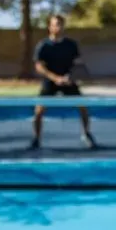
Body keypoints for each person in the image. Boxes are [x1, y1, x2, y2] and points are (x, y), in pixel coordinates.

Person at [30, 14, 97, 149]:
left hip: (68, 81)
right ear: (50, 27)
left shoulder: (71, 45)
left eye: (60, 24)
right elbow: (39, 67)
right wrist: (55, 78)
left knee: (83, 107)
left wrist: (69, 77)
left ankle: (86, 134)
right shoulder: (43, 46)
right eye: (55, 24)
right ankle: (36, 139)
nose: (58, 27)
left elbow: (78, 63)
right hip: (50, 82)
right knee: (38, 111)